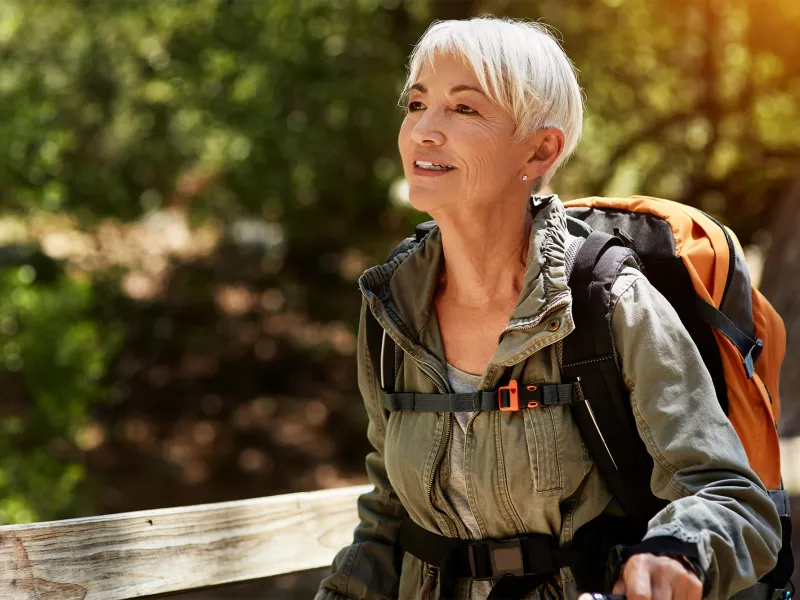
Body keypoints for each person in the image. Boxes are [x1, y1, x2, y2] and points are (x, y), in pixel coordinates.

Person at [315, 16, 782, 600]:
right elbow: (389, 520)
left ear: (540, 148)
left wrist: (674, 554)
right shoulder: (390, 311)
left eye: (464, 110)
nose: (423, 131)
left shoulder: (609, 301)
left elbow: (728, 496)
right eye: (416, 104)